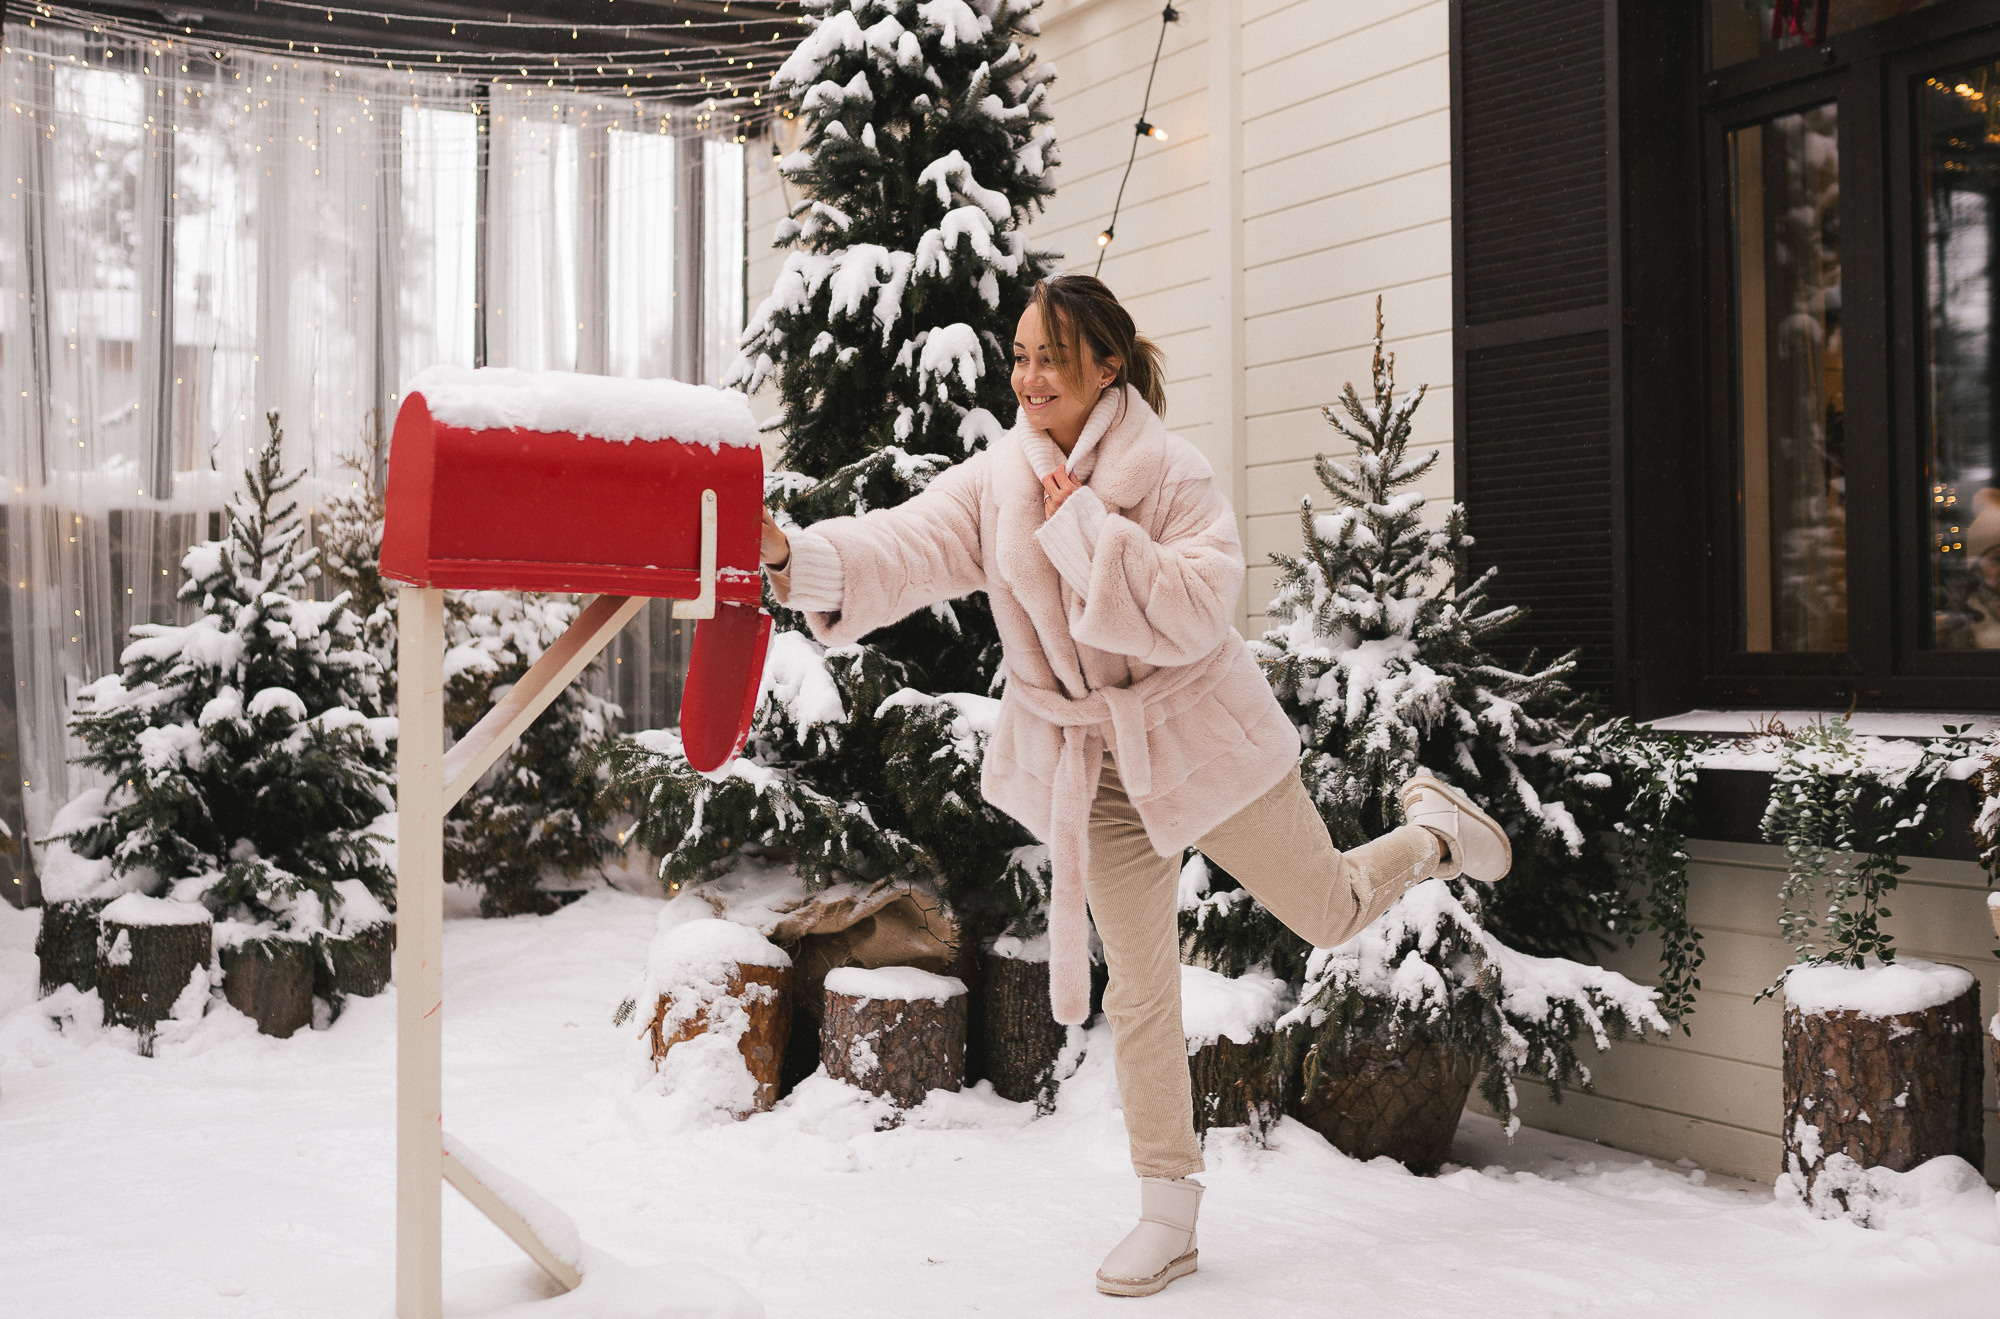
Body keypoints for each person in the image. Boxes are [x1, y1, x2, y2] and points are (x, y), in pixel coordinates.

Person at [758, 273, 1511, 1297]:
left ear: (1106, 366)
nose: (1025, 377)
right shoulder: (997, 482)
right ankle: (1168, 1211)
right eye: (1017, 356)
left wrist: (1082, 535)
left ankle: (1431, 833)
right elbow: (906, 545)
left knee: (1327, 909)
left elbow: (1200, 608)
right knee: (1144, 990)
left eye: (1048, 360)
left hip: (1201, 737)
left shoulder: (1172, 474)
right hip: (1097, 767)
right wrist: (793, 556)